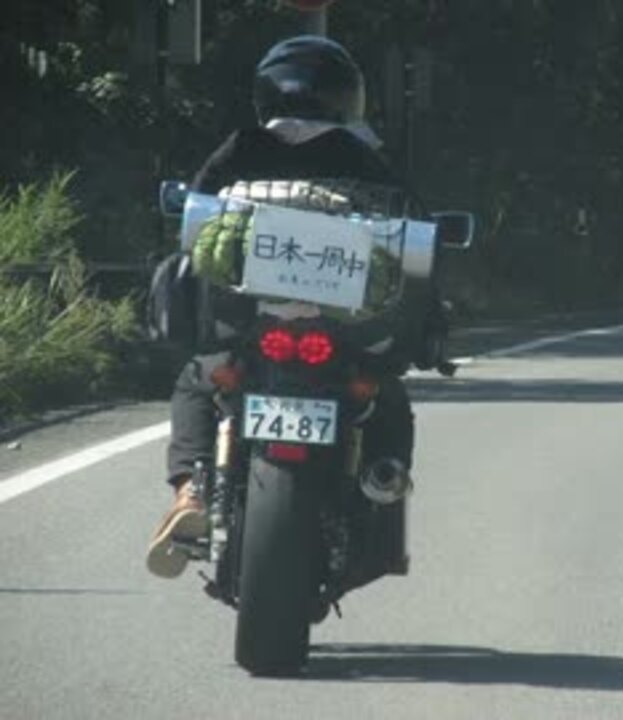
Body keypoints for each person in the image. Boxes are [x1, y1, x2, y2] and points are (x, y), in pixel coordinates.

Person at [146, 36, 425, 579]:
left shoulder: (241, 147)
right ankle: (383, 477)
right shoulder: (362, 155)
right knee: (385, 396)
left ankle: (190, 492)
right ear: (347, 97)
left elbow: (195, 219)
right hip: (340, 331)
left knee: (199, 381)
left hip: (251, 322)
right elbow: (411, 230)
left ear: (266, 93)